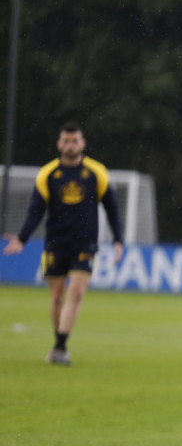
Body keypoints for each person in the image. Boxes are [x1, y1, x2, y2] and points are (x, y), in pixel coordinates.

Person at [2, 122, 123, 365]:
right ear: (59, 144)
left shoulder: (96, 172)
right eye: (66, 141)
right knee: (57, 296)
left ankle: (60, 347)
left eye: (75, 140)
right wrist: (23, 238)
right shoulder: (48, 174)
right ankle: (58, 344)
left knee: (76, 292)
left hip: (85, 243)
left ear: (82, 143)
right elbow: (36, 210)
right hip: (55, 242)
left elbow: (111, 207)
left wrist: (119, 240)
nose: (70, 145)